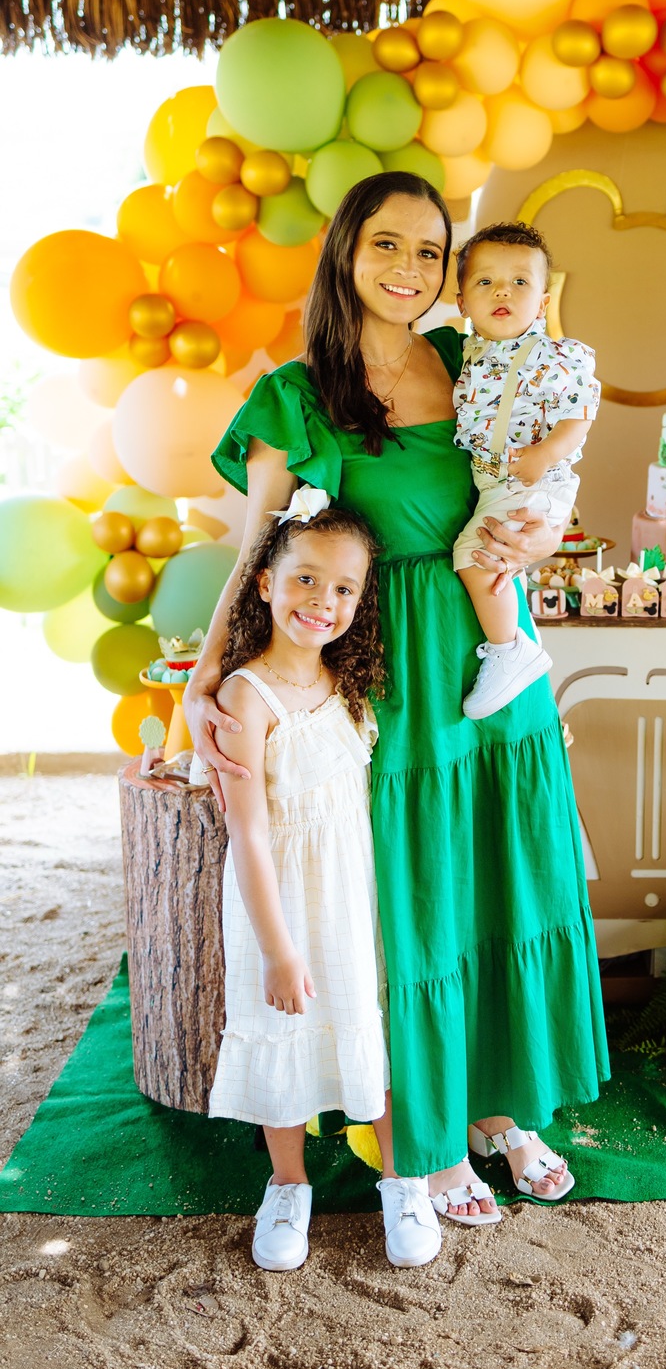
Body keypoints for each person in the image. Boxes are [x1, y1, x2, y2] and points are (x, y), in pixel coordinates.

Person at [185, 172, 608, 1260]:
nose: (411, 270)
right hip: (388, 663)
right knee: (417, 897)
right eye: (388, 245)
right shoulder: (298, 390)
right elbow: (260, 543)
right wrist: (205, 671)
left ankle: (498, 1106)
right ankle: (429, 1137)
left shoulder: (478, 360)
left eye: (431, 251)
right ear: (346, 251)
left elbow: (536, 480)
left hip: (490, 653)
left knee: (499, 875)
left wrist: (534, 542)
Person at [200, 485, 441, 1271]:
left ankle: (403, 1183)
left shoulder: (349, 684)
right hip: (280, 907)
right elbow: (250, 831)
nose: (322, 601)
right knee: (284, 1039)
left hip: (348, 894)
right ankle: (288, 1184)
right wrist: (276, 949)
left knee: (367, 1030)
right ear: (265, 583)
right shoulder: (246, 694)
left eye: (343, 588)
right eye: (304, 578)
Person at [451, 221, 599, 719]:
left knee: (476, 555)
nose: (503, 292)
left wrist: (546, 453)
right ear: (462, 301)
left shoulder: (557, 356)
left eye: (520, 282)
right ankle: (508, 644)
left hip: (535, 478)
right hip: (498, 480)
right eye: (485, 281)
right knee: (487, 557)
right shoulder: (468, 357)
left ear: (542, 301)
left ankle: (511, 649)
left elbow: (580, 414)